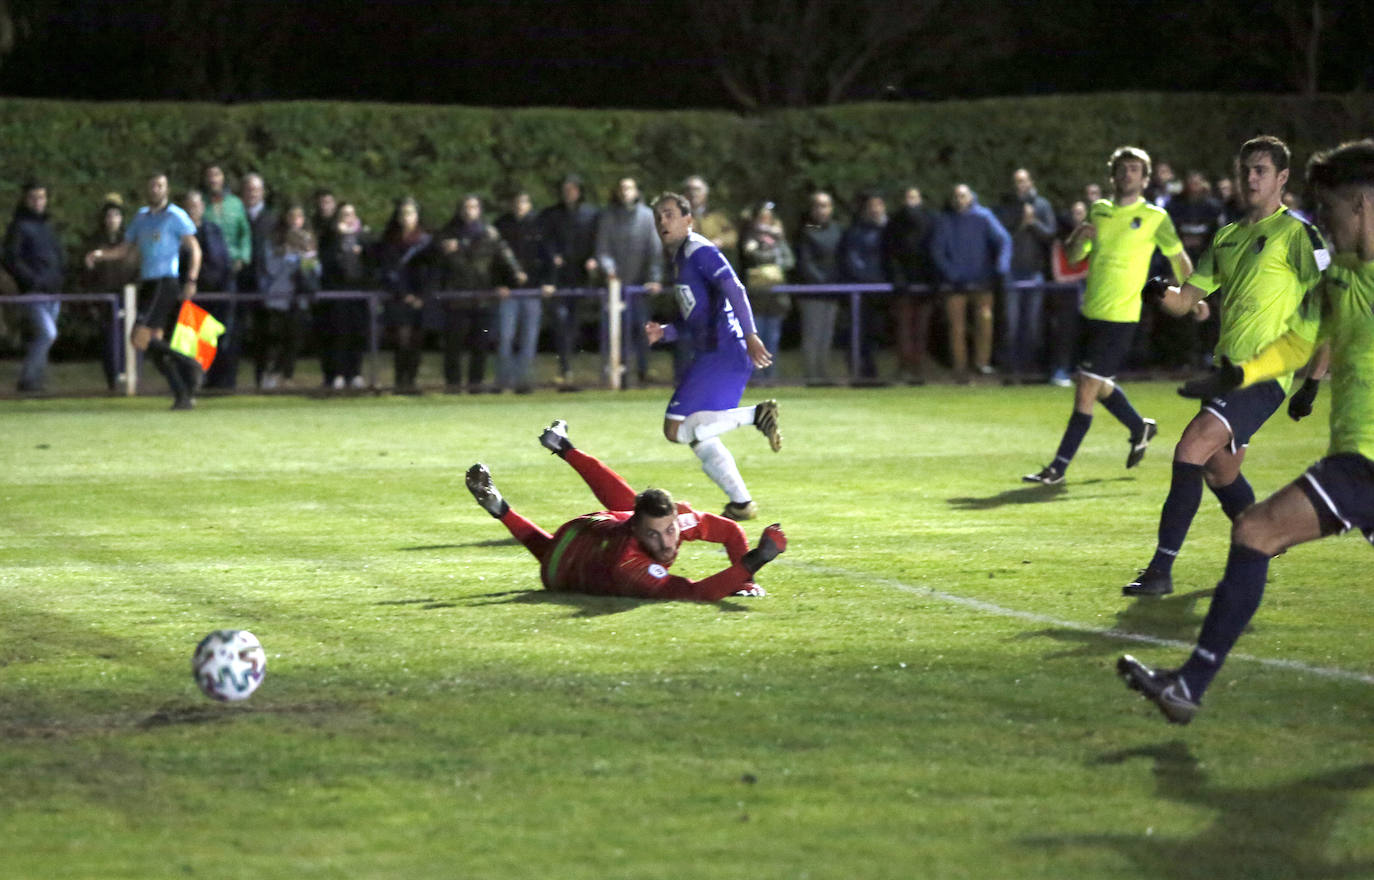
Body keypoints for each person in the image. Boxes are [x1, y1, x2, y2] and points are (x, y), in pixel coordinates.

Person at [1117, 138, 1373, 724]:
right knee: (1228, 484)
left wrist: (1298, 383)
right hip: (1335, 441)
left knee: (1248, 523)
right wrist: (1237, 369)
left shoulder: (1308, 245)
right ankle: (1186, 686)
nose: (1326, 225)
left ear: (1361, 207)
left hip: (1361, 458)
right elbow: (1302, 335)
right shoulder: (1326, 274)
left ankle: (1173, 620)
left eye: (1332, 211)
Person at [1120, 135, 1329, 597]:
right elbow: (1186, 302)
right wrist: (1158, 292)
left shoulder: (1297, 234)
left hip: (1265, 375)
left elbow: (1329, 305)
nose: (1251, 178)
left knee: (1190, 448)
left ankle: (1160, 570)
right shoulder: (1228, 237)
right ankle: (1265, 536)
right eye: (1245, 170)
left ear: (1282, 178)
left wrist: (1312, 381)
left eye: (1260, 170)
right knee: (1220, 472)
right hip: (1227, 372)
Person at [466, 419, 786, 601]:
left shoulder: (672, 521)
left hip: (597, 525)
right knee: (560, 557)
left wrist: (743, 582)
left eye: (671, 531)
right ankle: (503, 507)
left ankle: (551, 458)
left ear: (678, 520)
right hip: (560, 565)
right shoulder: (630, 565)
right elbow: (695, 593)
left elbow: (730, 530)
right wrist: (756, 560)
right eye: (654, 535)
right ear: (636, 530)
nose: (666, 544)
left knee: (630, 502)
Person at [1022, 147, 1192, 485]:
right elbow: (1073, 257)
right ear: (1112, 175)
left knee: (1085, 387)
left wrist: (1194, 296)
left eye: (1134, 169)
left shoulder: (1156, 217)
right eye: (1122, 169)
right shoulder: (1098, 211)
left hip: (1122, 316)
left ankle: (1057, 468)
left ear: (1144, 179)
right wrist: (1077, 236)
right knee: (1098, 386)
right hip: (1092, 312)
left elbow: (1179, 259)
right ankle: (1139, 427)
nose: (1127, 174)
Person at [644, 191, 781, 521]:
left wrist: (750, 335)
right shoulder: (680, 259)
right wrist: (667, 332)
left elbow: (736, 288)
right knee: (699, 433)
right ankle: (742, 503)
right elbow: (696, 321)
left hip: (725, 351)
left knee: (675, 428)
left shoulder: (698, 249)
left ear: (688, 220)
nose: (663, 221)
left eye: (669, 214)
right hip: (717, 350)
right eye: (658, 216)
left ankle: (757, 415)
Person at [85, 172, 203, 409]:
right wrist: (99, 254)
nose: (156, 190)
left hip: (165, 281)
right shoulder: (141, 218)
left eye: (160, 186)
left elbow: (195, 249)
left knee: (137, 337)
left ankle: (190, 364)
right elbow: (124, 250)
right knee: (153, 345)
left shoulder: (175, 216)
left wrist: (191, 279)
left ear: (166, 189)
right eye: (153, 186)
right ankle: (182, 395)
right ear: (147, 189)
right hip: (148, 283)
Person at [433, 194, 525, 393]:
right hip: (456, 299)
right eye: (466, 207)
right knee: (453, 347)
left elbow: (503, 256)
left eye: (474, 207)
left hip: (482, 299)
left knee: (480, 345)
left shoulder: (489, 234)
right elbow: (436, 259)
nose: (469, 211)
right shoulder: (448, 233)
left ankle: (476, 385)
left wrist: (514, 275)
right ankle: (453, 386)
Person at [931, 183, 1011, 379]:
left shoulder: (983, 216)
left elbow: (1004, 240)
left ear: (971, 197)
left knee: (985, 320)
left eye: (963, 196)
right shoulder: (945, 220)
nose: (959, 200)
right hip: (954, 283)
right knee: (956, 326)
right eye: (956, 196)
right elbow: (937, 251)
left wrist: (1002, 266)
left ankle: (981, 364)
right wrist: (950, 273)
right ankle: (960, 367)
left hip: (982, 280)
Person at [593, 177, 664, 387]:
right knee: (615, 333)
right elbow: (602, 249)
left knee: (642, 330)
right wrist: (609, 270)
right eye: (622, 188)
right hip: (614, 287)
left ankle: (643, 372)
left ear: (636, 191)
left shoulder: (647, 217)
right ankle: (619, 375)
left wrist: (654, 279)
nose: (625, 192)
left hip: (639, 287)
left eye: (629, 188)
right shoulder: (608, 217)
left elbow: (655, 251)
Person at [3, 181, 65, 393]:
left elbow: (56, 255)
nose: (38, 202)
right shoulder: (19, 226)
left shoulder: (47, 226)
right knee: (48, 334)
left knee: (43, 336)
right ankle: (28, 380)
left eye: (42, 197)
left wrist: (58, 278)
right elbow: (11, 258)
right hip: (33, 292)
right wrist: (31, 280)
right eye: (34, 197)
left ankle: (36, 380)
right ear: (25, 199)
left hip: (52, 291)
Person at [538, 174, 599, 387]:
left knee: (574, 322)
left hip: (581, 277)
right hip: (558, 277)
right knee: (561, 320)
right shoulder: (551, 215)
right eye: (566, 189)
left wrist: (593, 259)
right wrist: (553, 255)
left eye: (573, 189)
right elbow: (544, 241)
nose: (569, 193)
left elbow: (597, 241)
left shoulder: (591, 214)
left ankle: (569, 365)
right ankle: (565, 365)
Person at [997, 169, 1056, 382]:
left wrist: (1034, 223)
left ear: (1031, 181)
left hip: (1034, 271)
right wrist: (1021, 223)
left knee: (1032, 322)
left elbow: (1050, 234)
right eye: (1017, 181)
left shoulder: (1042, 205)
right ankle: (1012, 369)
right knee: (1011, 323)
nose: (1020, 184)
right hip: (1012, 271)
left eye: (1023, 180)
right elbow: (1002, 235)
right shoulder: (1009, 206)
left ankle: (1030, 368)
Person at [254, 204, 320, 390]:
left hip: (299, 300)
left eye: (299, 217)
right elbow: (270, 269)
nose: (295, 221)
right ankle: (268, 374)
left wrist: (305, 256)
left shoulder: (308, 241)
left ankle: (286, 375)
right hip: (278, 298)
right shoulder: (274, 242)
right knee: (275, 338)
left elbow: (315, 271)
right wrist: (287, 253)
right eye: (292, 217)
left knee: (295, 339)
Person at [494, 190, 552, 393]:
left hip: (532, 292)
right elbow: (495, 259)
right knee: (505, 337)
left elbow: (548, 257)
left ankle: (524, 382)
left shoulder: (539, 226)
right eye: (516, 202)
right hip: (508, 292)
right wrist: (499, 283)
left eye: (524, 202)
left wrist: (547, 282)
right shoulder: (501, 225)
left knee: (529, 339)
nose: (520, 206)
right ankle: (504, 382)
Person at [80, 193, 138, 390]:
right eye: (109, 215)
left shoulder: (129, 242)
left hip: (126, 297)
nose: (112, 220)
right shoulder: (95, 242)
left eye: (116, 215)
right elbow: (87, 274)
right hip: (104, 298)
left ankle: (130, 376)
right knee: (109, 341)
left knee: (129, 339)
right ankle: (113, 380)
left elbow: (135, 268)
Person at [375, 196, 433, 393]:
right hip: (399, 297)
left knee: (417, 339)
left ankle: (412, 381)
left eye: (410, 213)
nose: (406, 217)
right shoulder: (390, 240)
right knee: (401, 338)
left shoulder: (426, 241)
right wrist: (404, 294)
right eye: (403, 213)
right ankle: (400, 381)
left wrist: (421, 296)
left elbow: (432, 271)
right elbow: (388, 270)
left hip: (420, 297)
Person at [201, 165, 251, 390]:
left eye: (217, 175)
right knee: (204, 326)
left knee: (228, 326)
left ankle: (226, 378)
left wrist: (243, 256)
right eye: (210, 175)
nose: (214, 179)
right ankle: (204, 375)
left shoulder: (236, 204)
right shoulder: (202, 204)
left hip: (230, 273)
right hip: (206, 274)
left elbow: (245, 233)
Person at [883, 185, 937, 384]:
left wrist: (932, 280)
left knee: (921, 329)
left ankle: (918, 368)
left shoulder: (930, 220)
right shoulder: (895, 223)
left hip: (924, 285)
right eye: (908, 197)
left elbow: (934, 251)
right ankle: (905, 367)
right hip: (903, 286)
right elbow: (889, 254)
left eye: (914, 197)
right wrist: (898, 278)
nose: (911, 201)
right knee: (904, 327)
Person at [739, 200, 794, 385]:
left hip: (776, 298)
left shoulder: (779, 239)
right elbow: (749, 257)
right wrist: (767, 256)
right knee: (756, 338)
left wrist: (770, 255)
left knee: (772, 339)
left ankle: (770, 378)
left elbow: (789, 261)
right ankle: (755, 378)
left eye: (768, 218)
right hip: (755, 298)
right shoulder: (748, 238)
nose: (764, 222)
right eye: (761, 218)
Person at [317, 201, 372, 390]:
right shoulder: (330, 236)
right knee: (338, 333)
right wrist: (337, 240)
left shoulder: (363, 237)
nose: (348, 218)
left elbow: (371, 262)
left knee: (357, 333)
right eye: (344, 214)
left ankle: (355, 373)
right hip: (337, 292)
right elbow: (325, 260)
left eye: (351, 214)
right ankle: (338, 374)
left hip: (357, 292)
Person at [837, 191, 889, 381]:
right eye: (872, 206)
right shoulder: (856, 231)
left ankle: (875, 373)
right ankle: (860, 372)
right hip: (861, 290)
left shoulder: (890, 230)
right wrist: (867, 279)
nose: (875, 210)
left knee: (877, 333)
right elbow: (852, 259)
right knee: (860, 333)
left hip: (883, 290)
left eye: (879, 205)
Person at [794, 190, 843, 385]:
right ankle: (812, 375)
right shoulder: (806, 231)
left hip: (833, 290)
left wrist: (836, 282)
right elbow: (805, 262)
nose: (822, 210)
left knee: (826, 334)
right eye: (818, 206)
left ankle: (823, 373)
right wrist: (821, 282)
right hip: (812, 291)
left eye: (826, 205)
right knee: (812, 334)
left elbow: (840, 258)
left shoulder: (837, 230)